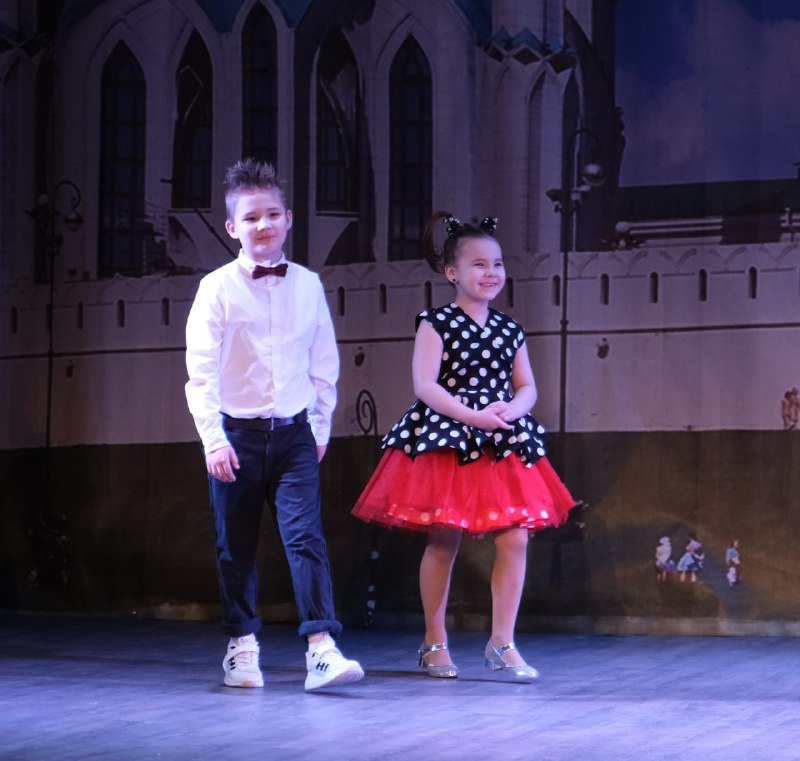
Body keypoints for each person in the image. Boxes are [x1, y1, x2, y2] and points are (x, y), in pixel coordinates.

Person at [352, 211, 575, 682]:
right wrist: (473, 416)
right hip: (450, 437)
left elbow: (527, 386)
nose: (491, 272)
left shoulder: (510, 329)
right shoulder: (436, 322)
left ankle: (502, 642)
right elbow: (425, 385)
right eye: (479, 264)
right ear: (452, 272)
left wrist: (512, 410)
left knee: (515, 536)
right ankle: (434, 642)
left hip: (500, 438)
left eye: (497, 263)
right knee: (443, 538)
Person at [185, 158, 364, 692]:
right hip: (235, 436)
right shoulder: (216, 288)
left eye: (271, 214)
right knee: (234, 545)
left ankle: (321, 649)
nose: (262, 225)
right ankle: (241, 646)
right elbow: (201, 372)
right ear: (232, 227)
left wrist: (319, 429)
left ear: (288, 219)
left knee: (306, 538)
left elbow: (323, 363)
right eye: (250, 217)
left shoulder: (308, 284)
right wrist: (213, 439)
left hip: (293, 435)